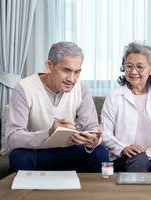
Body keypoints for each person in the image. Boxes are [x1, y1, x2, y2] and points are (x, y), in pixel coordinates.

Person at [7, 41, 109, 172]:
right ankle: (23, 192)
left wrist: (93, 140)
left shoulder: (81, 88)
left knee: (100, 153)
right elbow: (13, 138)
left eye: (77, 72)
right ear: (49, 65)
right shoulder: (23, 88)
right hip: (38, 153)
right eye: (66, 70)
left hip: (69, 152)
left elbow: (91, 127)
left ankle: (93, 193)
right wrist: (49, 133)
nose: (72, 79)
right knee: (20, 156)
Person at [101, 42, 151, 173]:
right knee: (139, 160)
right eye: (129, 66)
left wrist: (149, 153)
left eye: (140, 67)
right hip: (124, 156)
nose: (133, 71)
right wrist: (123, 148)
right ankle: (135, 194)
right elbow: (104, 133)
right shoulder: (114, 96)